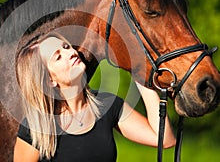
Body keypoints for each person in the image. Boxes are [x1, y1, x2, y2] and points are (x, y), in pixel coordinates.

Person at [13, 32, 176, 162]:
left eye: (66, 47)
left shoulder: (106, 104)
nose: (70, 53)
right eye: (58, 56)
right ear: (49, 80)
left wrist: (140, 72)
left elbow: (164, 140)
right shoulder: (35, 127)